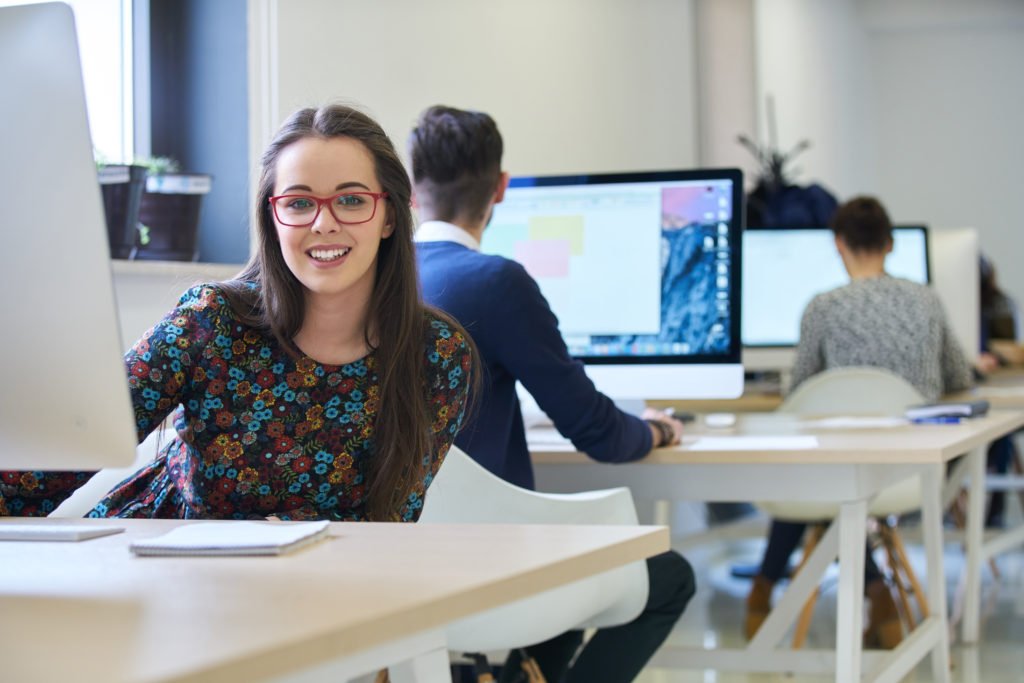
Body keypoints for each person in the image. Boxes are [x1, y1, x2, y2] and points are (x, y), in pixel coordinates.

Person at [0, 104, 474, 523]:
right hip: (162, 574)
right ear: (273, 218)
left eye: (351, 200)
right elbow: (58, 459)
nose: (323, 222)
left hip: (328, 593)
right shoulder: (211, 321)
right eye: (299, 202)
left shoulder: (438, 354)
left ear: (390, 215)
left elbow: (388, 524)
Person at [409, 105, 694, 683]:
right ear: (502, 189)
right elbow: (597, 433)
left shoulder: (372, 283)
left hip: (396, 569)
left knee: (570, 559)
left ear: (411, 192)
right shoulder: (495, 282)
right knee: (669, 578)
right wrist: (658, 428)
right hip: (486, 574)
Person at [746, 196, 974, 648]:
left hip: (844, 469)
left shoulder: (822, 307)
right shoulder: (926, 300)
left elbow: (800, 397)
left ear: (838, 245)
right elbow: (959, 378)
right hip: (914, 470)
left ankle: (764, 594)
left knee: (820, 480)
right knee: (833, 485)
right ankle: (879, 598)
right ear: (891, 244)